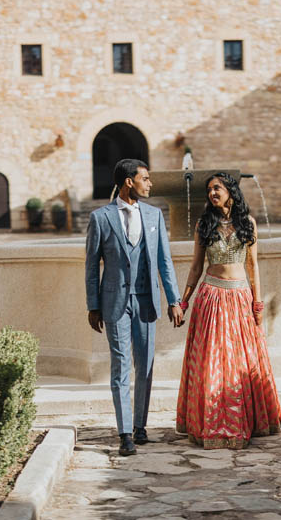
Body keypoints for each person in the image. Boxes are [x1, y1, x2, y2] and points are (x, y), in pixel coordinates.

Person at [175, 172, 281, 449]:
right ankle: (210, 423)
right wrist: (183, 301)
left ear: (230, 191)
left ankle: (246, 422)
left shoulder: (247, 223)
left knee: (241, 362)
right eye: (209, 190)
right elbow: (195, 268)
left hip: (239, 297)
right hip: (211, 296)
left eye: (217, 188)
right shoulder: (204, 224)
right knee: (211, 363)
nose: (212, 193)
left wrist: (257, 303)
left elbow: (253, 267)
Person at [85, 158, 183, 456]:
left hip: (146, 300)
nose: (150, 183)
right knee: (120, 367)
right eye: (146, 178)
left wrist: (174, 299)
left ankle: (140, 425)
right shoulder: (101, 217)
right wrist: (93, 305)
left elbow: (165, 263)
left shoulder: (154, 216)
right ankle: (125, 433)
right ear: (129, 181)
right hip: (114, 302)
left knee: (146, 365)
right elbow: (92, 265)